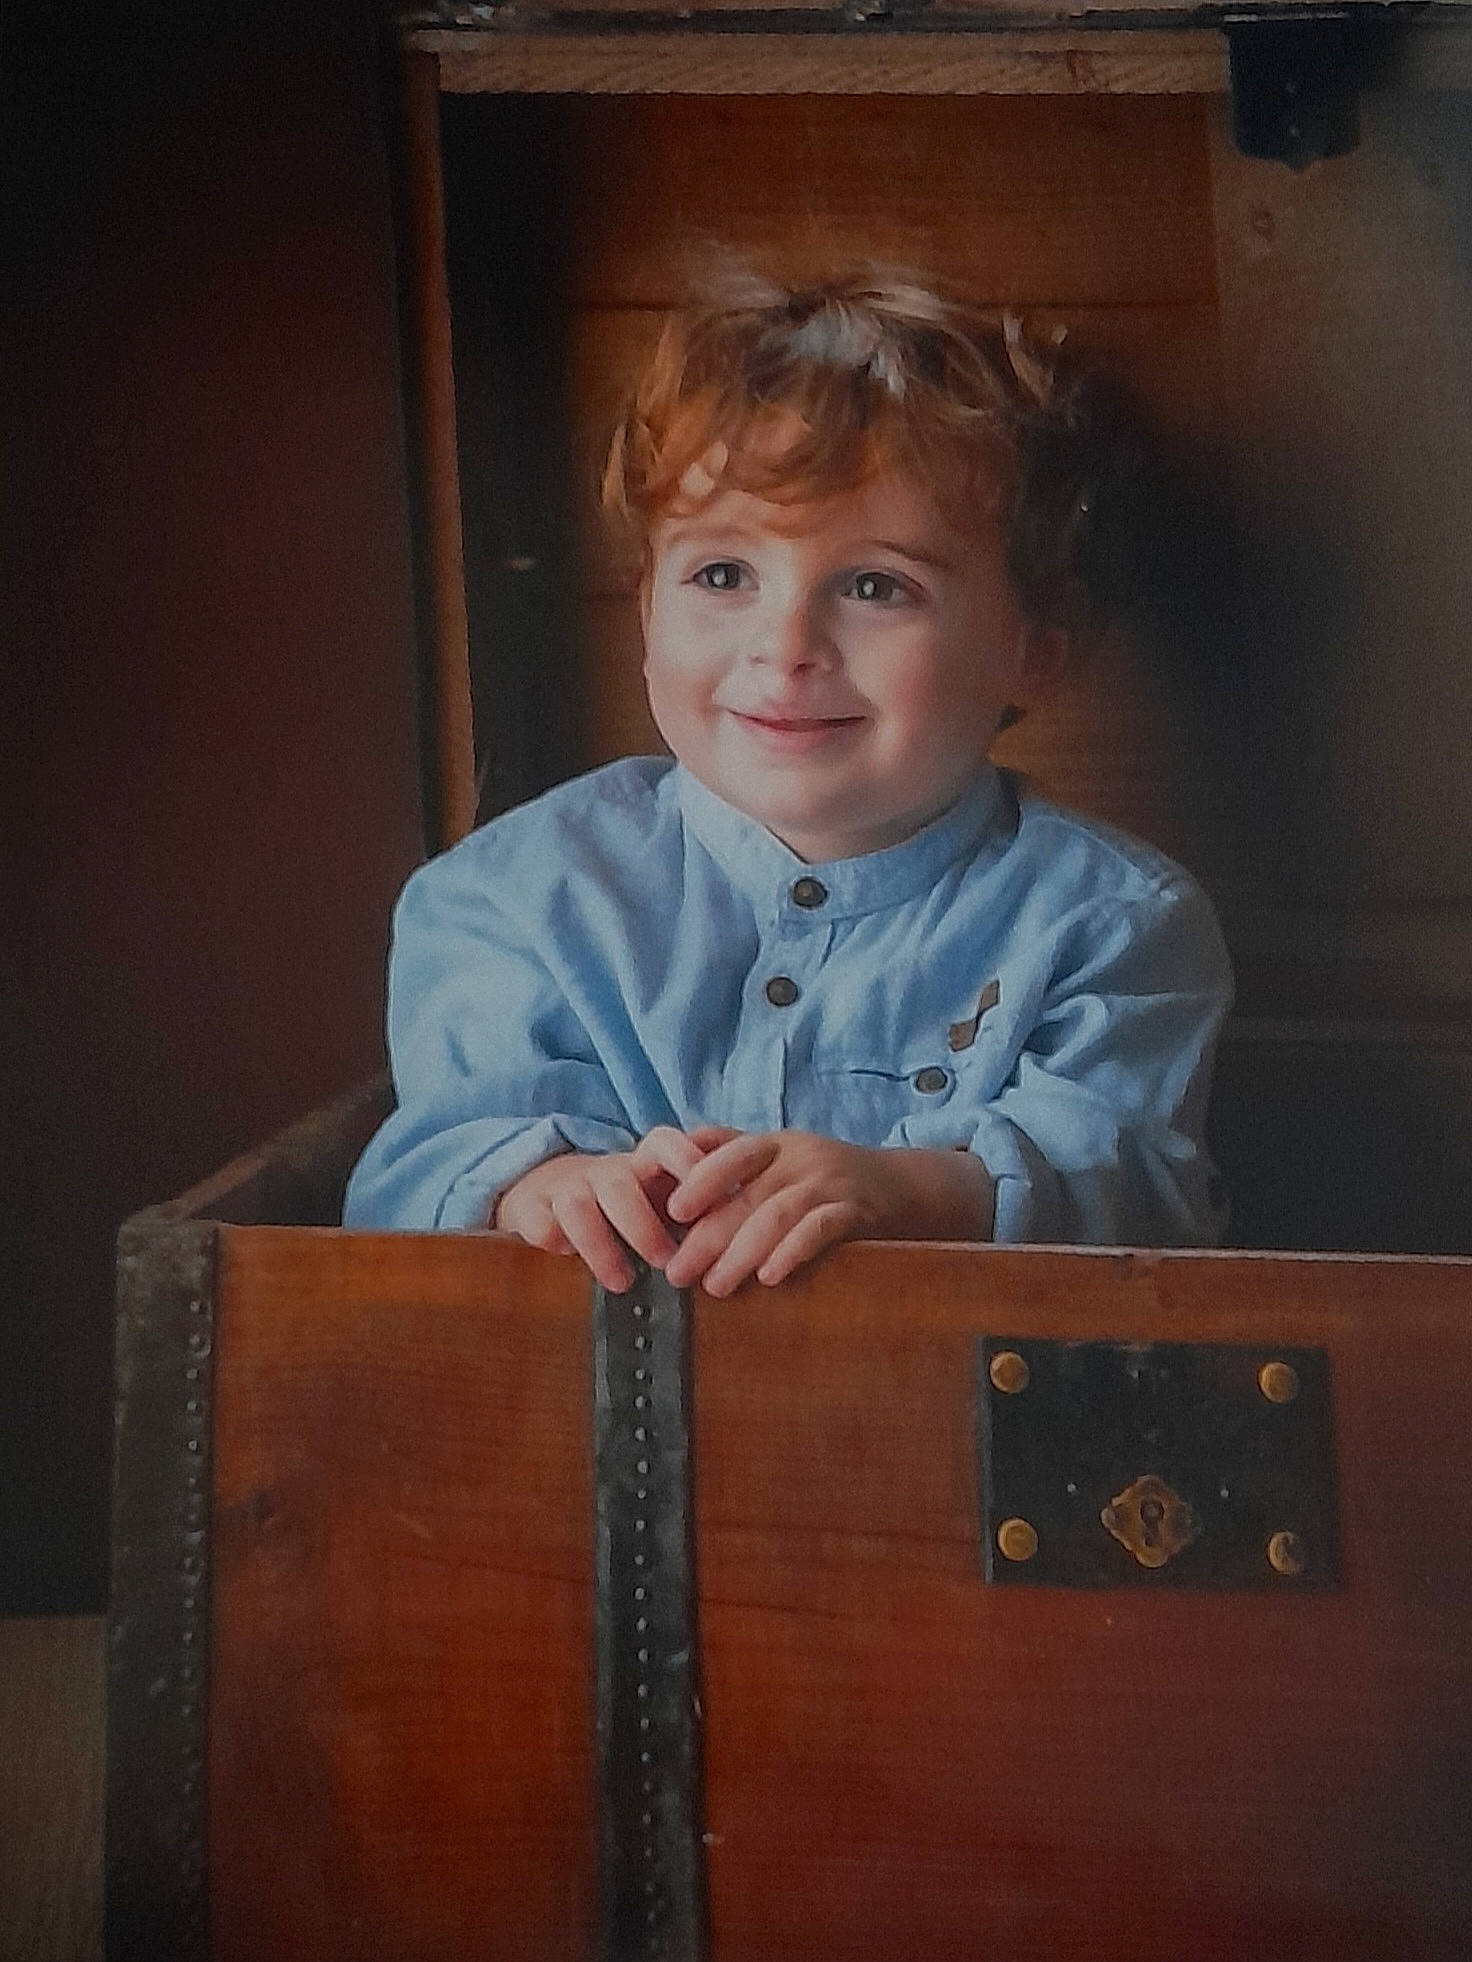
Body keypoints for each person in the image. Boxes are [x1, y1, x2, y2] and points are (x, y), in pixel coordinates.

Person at [344, 270, 1233, 1293]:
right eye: (722, 576)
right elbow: (426, 1158)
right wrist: (539, 1184)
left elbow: (1138, 1186)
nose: (785, 647)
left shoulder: (1111, 924)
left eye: (872, 586)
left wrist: (911, 1190)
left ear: (1030, 648)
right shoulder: (510, 894)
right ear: (644, 613)